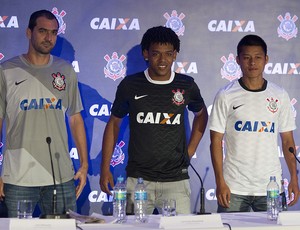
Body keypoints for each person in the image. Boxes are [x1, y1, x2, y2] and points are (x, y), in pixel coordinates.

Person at [100, 26, 208, 214]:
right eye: (156, 53)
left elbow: (201, 115)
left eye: (168, 54)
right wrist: (105, 167)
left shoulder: (186, 85)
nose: (162, 60)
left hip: (176, 180)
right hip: (138, 181)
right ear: (146, 54)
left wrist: (190, 150)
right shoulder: (130, 85)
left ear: (175, 55)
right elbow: (114, 123)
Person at [0, 10, 88, 217]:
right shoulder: (6, 71)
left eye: (54, 32)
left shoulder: (65, 70)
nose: (49, 38)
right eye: (43, 31)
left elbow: (75, 119)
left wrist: (84, 164)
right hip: (18, 177)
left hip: (60, 176)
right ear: (29, 32)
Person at [209, 34, 299, 212]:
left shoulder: (279, 95)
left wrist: (294, 180)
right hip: (233, 187)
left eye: (258, 57)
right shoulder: (226, 95)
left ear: (266, 60)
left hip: (270, 187)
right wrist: (220, 182)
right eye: (246, 57)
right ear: (238, 60)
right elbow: (216, 142)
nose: (252, 63)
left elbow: (288, 142)